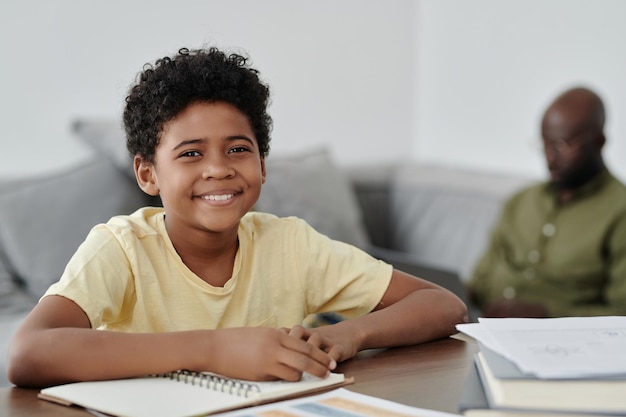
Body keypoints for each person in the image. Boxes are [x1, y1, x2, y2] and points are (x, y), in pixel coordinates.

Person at [7, 47, 467, 388]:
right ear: (148, 175)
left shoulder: (290, 245)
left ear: (263, 166)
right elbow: (29, 353)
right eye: (190, 153)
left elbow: (444, 305)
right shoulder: (123, 248)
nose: (218, 167)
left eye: (238, 149)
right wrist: (216, 347)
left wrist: (350, 334)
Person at [468, 86, 626, 318]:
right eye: (545, 144)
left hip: (557, 343)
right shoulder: (519, 202)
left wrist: (547, 314)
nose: (550, 158)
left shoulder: (619, 211)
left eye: (562, 146)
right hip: (481, 328)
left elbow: (621, 312)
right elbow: (479, 283)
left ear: (598, 141)